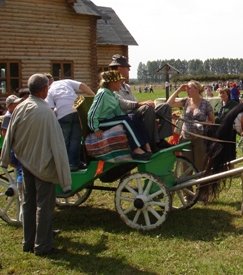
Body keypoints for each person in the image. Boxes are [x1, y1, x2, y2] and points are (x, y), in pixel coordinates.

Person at [1, 74, 71, 256]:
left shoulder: (20, 107)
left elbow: (10, 135)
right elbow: (57, 143)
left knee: (28, 203)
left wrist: (6, 157)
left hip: (25, 162)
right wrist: (63, 172)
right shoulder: (46, 111)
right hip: (43, 165)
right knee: (45, 206)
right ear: (44, 89)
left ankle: (28, 242)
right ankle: (42, 246)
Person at [108, 54, 173, 151]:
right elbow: (122, 104)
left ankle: (160, 140)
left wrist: (143, 104)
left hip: (133, 113)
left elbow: (135, 102)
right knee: (147, 108)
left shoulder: (126, 86)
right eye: (127, 67)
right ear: (120, 69)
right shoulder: (111, 85)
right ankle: (151, 144)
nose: (129, 70)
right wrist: (141, 104)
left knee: (165, 107)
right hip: (125, 117)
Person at [87, 70, 153, 160]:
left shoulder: (113, 94)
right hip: (101, 122)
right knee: (124, 121)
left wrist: (128, 118)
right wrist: (95, 128)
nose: (121, 84)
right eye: (119, 82)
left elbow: (118, 111)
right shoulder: (102, 94)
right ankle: (135, 149)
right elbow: (92, 113)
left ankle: (147, 145)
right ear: (113, 83)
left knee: (132, 117)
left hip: (111, 119)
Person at [46, 75, 95, 172]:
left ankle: (67, 164)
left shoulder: (49, 90)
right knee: (76, 140)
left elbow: (51, 109)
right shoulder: (65, 82)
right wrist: (94, 96)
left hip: (63, 114)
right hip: (77, 110)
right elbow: (82, 85)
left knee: (65, 140)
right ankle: (75, 162)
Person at [167, 80, 214, 171]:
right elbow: (169, 104)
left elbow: (212, 121)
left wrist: (201, 123)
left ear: (196, 89)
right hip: (185, 139)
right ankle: (188, 185)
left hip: (199, 139)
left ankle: (201, 185)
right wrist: (179, 90)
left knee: (200, 167)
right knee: (185, 168)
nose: (187, 90)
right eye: (186, 89)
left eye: (189, 88)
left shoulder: (206, 104)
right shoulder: (186, 101)